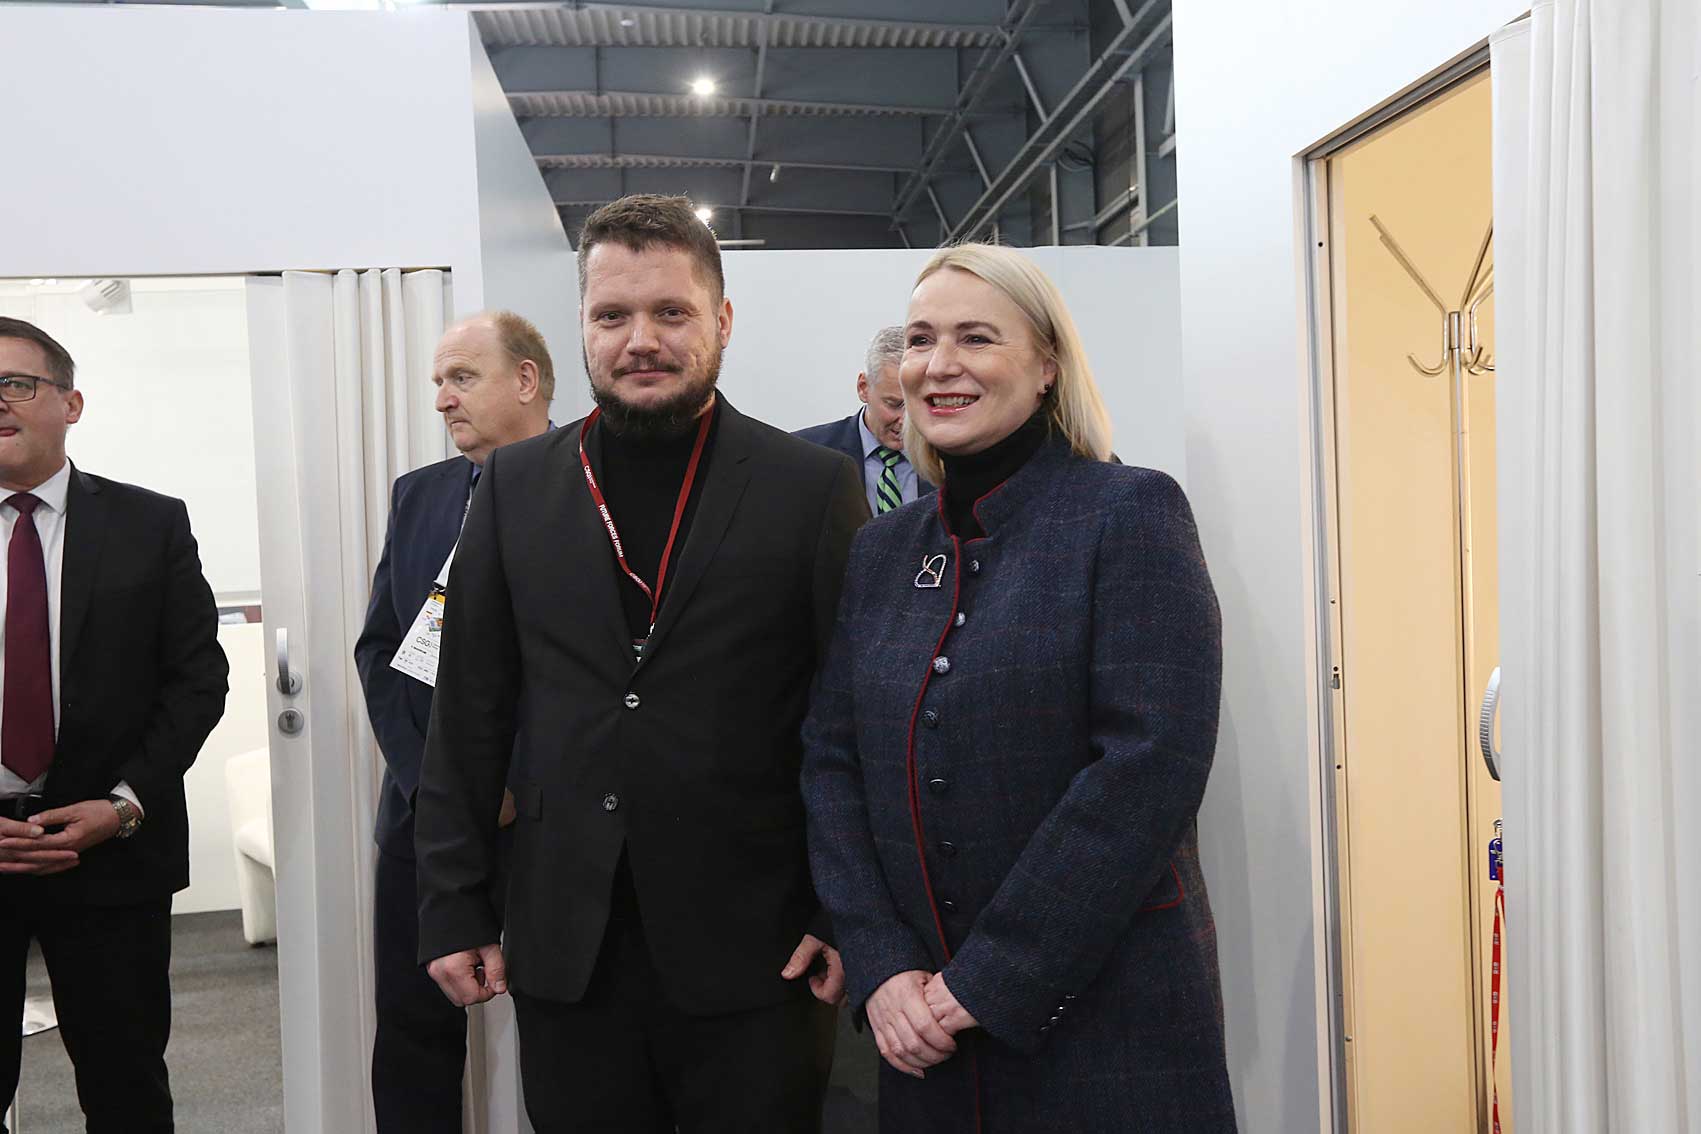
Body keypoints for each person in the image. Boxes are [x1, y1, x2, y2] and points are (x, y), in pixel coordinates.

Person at [413, 194, 869, 1133]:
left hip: (758, 942)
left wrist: (843, 908)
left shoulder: (810, 487)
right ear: (583, 327)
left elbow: (852, 716)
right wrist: (452, 903)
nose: (640, 341)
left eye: (671, 312)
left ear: (722, 320)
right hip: (564, 941)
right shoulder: (513, 486)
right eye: (612, 315)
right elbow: (468, 713)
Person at [801, 245, 1236, 1132]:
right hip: (921, 1035)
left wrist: (989, 978)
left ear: (1046, 366)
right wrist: (881, 964)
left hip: (1107, 1024)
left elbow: (1148, 767)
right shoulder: (883, 552)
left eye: (975, 337)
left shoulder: (1129, 512)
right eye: (920, 339)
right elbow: (831, 761)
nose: (939, 364)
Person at [0, 317, 229, 1133]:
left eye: (15, 384)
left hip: (111, 856)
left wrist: (124, 805)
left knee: (125, 1087)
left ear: (71, 403)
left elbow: (197, 681)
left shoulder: (149, 523)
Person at [353, 310, 555, 1132]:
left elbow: (607, 677)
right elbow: (383, 651)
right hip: (425, 820)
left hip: (547, 823)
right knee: (412, 1036)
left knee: (570, 1040)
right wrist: (436, 784)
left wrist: (511, 783)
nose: (442, 399)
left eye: (461, 378)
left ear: (526, 380)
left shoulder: (591, 488)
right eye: (438, 381)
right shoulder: (422, 494)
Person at [795, 326, 935, 514]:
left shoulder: (951, 457)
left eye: (918, 404)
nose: (906, 421)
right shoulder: (808, 454)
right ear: (863, 388)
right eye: (894, 404)